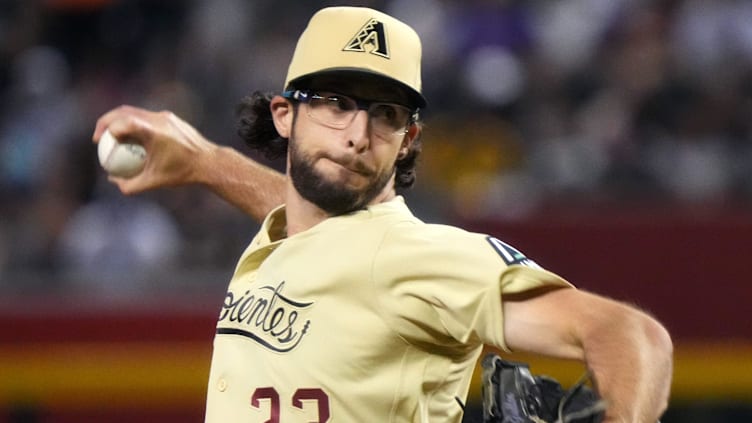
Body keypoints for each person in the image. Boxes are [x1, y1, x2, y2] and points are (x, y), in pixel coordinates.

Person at [93, 6, 672, 423]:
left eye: (385, 115)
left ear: (409, 139)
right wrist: (204, 162)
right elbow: (311, 221)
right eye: (335, 104)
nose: (356, 135)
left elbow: (633, 336)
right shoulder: (296, 234)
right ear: (284, 114)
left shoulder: (418, 257)